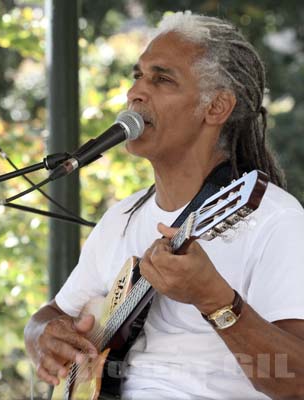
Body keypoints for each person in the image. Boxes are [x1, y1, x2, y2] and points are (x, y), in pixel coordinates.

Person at [24, 12, 304, 399]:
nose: (136, 92)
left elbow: (298, 381)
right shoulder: (122, 218)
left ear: (216, 108)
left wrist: (216, 300)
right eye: (137, 76)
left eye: (161, 79)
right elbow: (51, 315)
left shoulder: (274, 219)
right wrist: (41, 336)